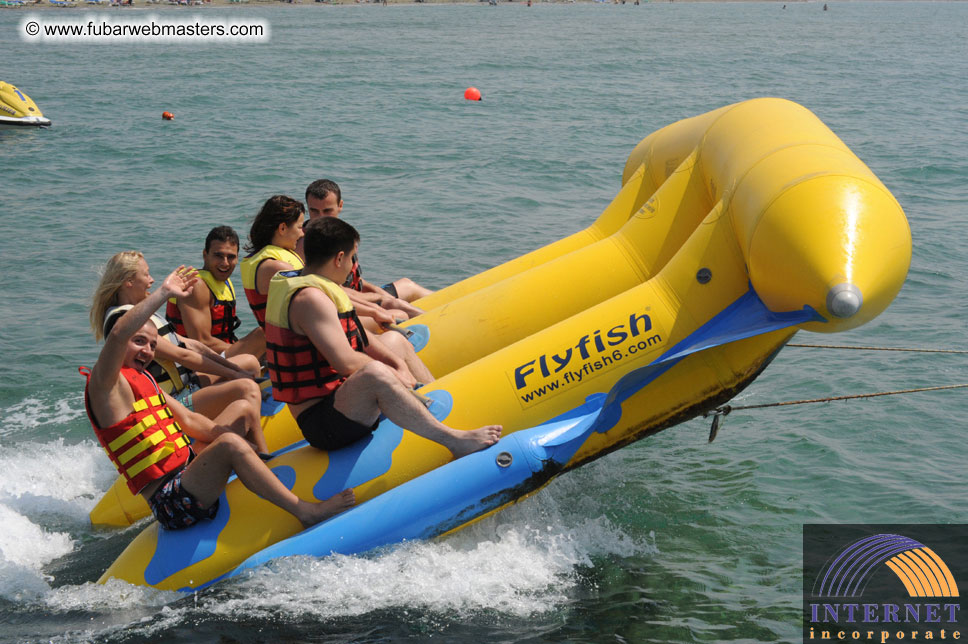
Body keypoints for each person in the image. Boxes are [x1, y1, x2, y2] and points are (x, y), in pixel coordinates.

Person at [82, 266, 355, 530]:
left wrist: (238, 434)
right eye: (139, 341)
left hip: (189, 471)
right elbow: (118, 334)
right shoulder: (106, 386)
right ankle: (304, 511)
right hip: (171, 500)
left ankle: (264, 466)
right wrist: (165, 292)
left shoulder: (146, 381)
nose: (148, 351)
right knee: (229, 444)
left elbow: (190, 420)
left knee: (242, 408)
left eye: (153, 345)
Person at [265, 216, 502, 456]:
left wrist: (398, 365)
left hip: (341, 398)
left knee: (394, 342)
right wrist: (392, 373)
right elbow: (345, 362)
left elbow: (363, 340)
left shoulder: (321, 286)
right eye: (351, 258)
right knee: (374, 373)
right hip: (324, 423)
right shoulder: (310, 299)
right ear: (339, 258)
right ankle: (453, 440)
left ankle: (443, 408)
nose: (350, 267)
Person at [91, 251, 268, 453]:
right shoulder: (124, 322)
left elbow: (192, 345)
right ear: (128, 282)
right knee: (246, 387)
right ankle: (258, 453)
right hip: (172, 401)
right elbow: (182, 356)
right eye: (146, 275)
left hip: (187, 385)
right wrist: (236, 375)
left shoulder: (145, 314)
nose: (152, 280)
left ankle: (240, 426)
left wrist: (234, 368)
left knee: (249, 362)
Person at [243, 196, 433, 383]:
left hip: (304, 331)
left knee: (392, 309)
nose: (303, 233)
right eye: (300, 227)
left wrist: (375, 309)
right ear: (283, 228)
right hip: (304, 336)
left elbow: (330, 291)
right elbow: (328, 295)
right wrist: (375, 309)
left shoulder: (268, 258)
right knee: (397, 315)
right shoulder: (278, 267)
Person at [303, 179, 433, 319]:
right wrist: (380, 299)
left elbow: (353, 278)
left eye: (327, 210)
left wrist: (377, 291)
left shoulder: (342, 234)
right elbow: (331, 290)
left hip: (359, 294)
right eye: (314, 211)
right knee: (398, 309)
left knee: (408, 286)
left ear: (340, 205)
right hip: (345, 304)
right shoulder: (307, 244)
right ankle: (437, 322)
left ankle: (448, 307)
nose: (320, 218)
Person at [166, 226, 265, 360]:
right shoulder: (196, 285)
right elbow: (201, 341)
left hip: (219, 355)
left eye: (231, 257)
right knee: (263, 334)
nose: (225, 263)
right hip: (195, 365)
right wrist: (246, 350)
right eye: (218, 256)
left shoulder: (224, 282)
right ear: (205, 255)